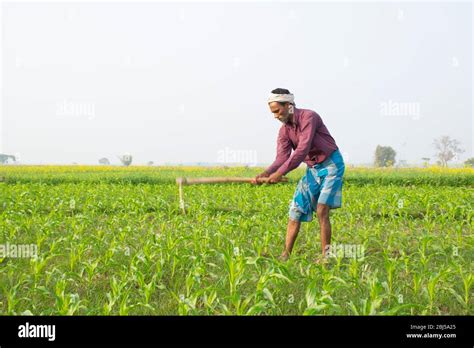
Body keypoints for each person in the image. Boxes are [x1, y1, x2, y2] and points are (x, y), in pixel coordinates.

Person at [251, 88, 345, 262]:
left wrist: (279, 174)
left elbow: (302, 151)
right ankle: (285, 255)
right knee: (295, 209)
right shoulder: (284, 131)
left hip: (331, 165)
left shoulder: (309, 117)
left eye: (277, 111)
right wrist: (265, 174)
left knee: (322, 209)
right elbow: (281, 158)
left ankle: (326, 257)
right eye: (272, 113)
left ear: (289, 105)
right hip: (313, 169)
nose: (275, 116)